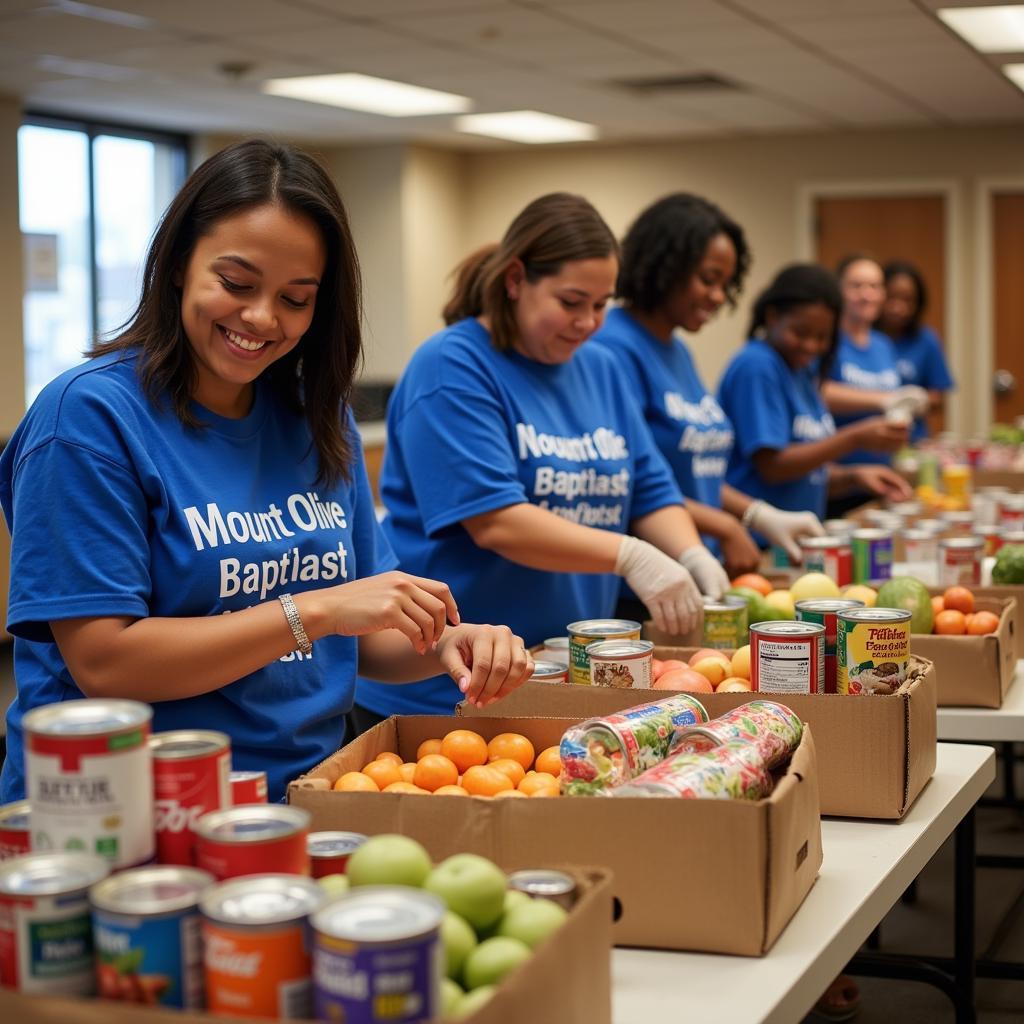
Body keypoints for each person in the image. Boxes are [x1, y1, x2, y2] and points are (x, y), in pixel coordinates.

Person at [0, 140, 532, 803]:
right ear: (175, 265)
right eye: (236, 283)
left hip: (309, 793)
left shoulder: (316, 415)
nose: (261, 318)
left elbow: (362, 635)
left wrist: (450, 641)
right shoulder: (86, 419)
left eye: (296, 298)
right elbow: (106, 662)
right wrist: (315, 610)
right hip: (125, 811)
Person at [353, 193, 723, 727]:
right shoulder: (452, 365)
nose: (589, 321)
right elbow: (497, 521)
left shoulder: (602, 367)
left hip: (560, 675)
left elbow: (649, 489)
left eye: (601, 304)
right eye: (571, 302)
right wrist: (631, 557)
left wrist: (689, 554)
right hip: (447, 688)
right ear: (515, 279)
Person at [590, 193, 825, 573]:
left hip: (698, 566)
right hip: (645, 576)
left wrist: (755, 514)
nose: (718, 297)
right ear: (663, 266)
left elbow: (696, 471)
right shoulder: (613, 348)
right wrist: (725, 526)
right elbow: (634, 482)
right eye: (708, 280)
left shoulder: (678, 350)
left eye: (726, 285)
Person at [718, 263, 913, 533]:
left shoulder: (803, 371)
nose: (811, 346)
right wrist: (855, 438)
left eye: (822, 337)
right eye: (800, 333)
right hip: (760, 541)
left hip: (801, 539)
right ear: (773, 316)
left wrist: (853, 476)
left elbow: (808, 473)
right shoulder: (757, 366)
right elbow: (773, 467)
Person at [820, 254, 924, 517]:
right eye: (856, 286)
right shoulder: (827, 340)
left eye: (875, 287)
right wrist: (882, 400)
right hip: (838, 479)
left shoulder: (882, 345)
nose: (866, 295)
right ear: (839, 291)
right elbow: (818, 391)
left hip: (880, 477)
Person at [875, 259, 954, 442]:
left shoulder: (925, 339)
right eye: (891, 297)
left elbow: (938, 395)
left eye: (907, 300)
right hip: (870, 436)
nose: (898, 307)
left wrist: (914, 402)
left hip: (911, 437)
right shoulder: (864, 338)